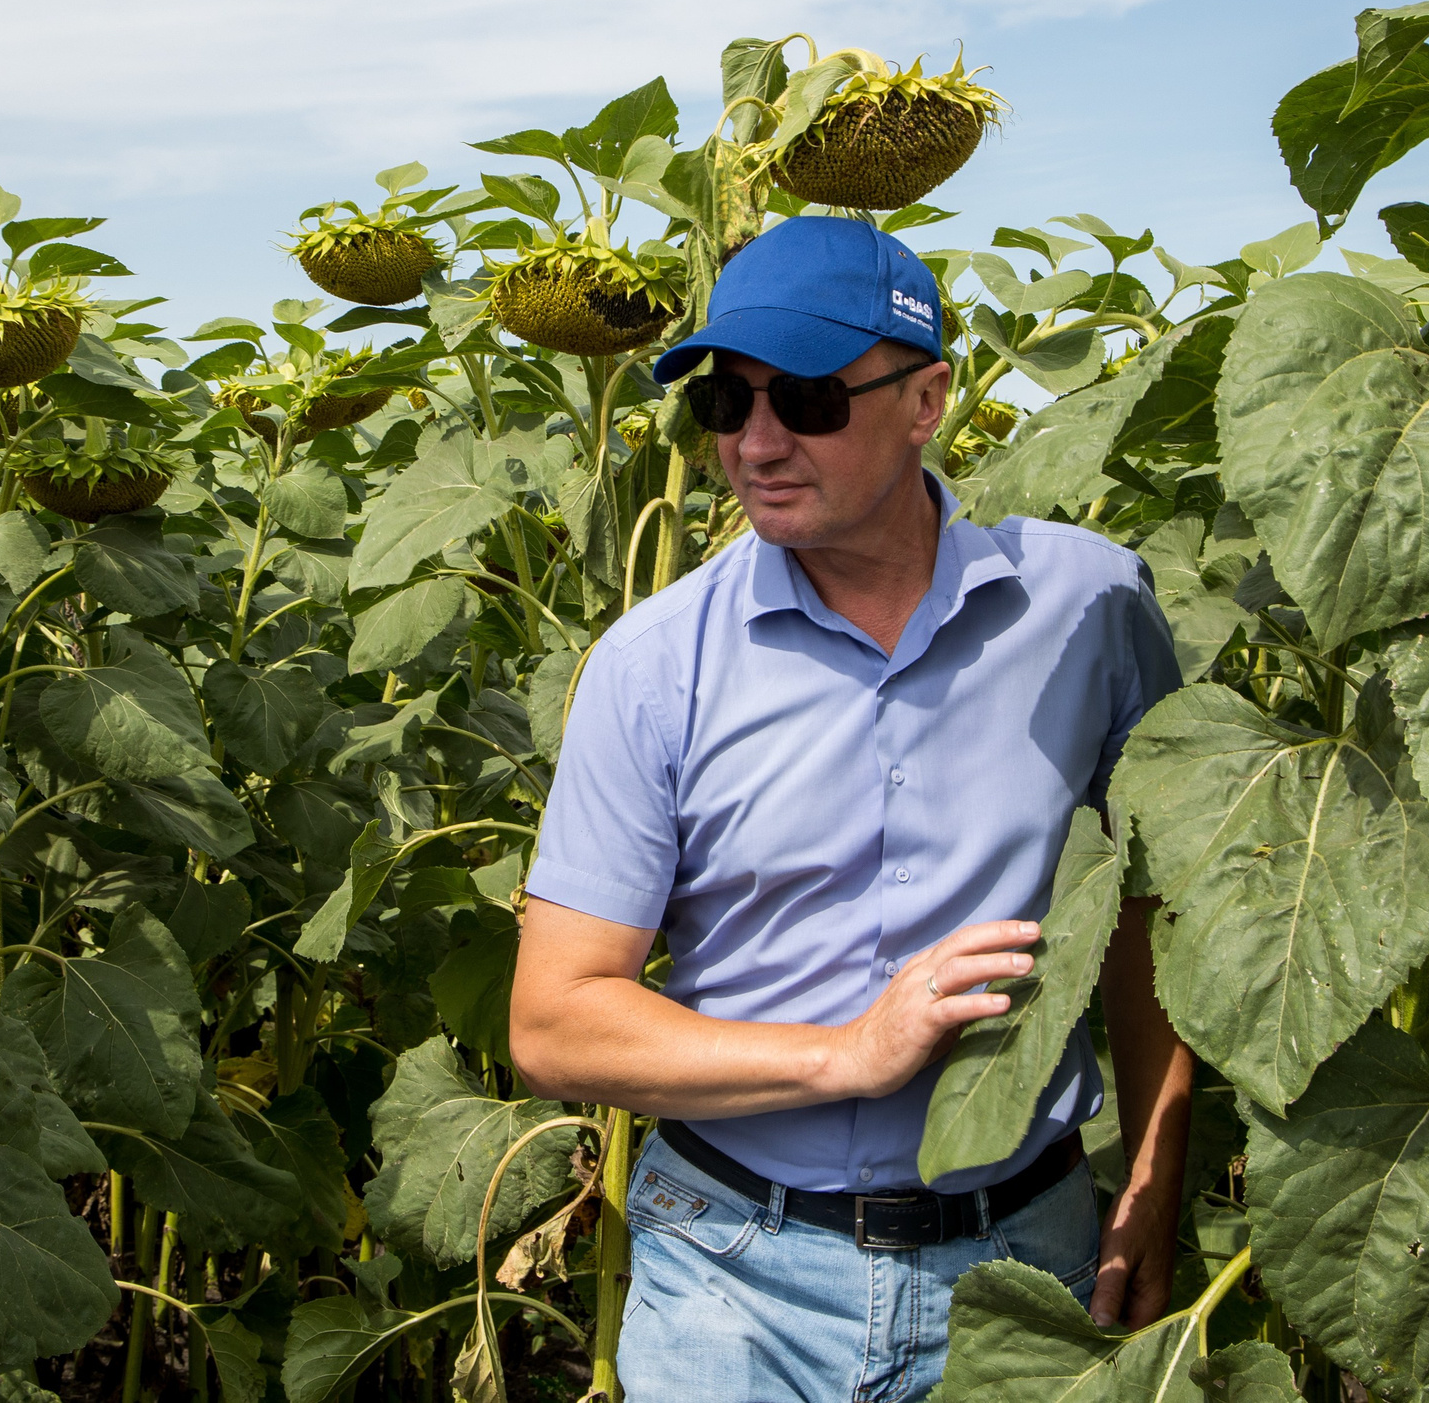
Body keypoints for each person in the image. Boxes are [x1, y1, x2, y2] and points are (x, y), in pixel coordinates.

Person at [508, 214, 1194, 1403]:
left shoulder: (1088, 610)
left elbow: (1156, 918)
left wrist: (1151, 1180)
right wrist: (846, 1054)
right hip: (737, 1279)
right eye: (728, 404)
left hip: (1025, 1265)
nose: (757, 445)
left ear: (925, 400)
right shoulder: (654, 663)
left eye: (808, 403)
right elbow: (555, 1023)